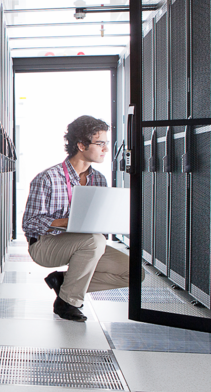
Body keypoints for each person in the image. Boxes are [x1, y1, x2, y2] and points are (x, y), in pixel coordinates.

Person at [22, 115, 130, 322]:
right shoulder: (48, 178)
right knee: (95, 240)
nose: (105, 149)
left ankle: (63, 282)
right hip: (46, 245)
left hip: (86, 243)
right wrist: (69, 221)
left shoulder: (99, 179)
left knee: (132, 273)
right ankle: (67, 302)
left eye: (106, 144)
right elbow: (29, 223)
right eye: (100, 144)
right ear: (81, 145)